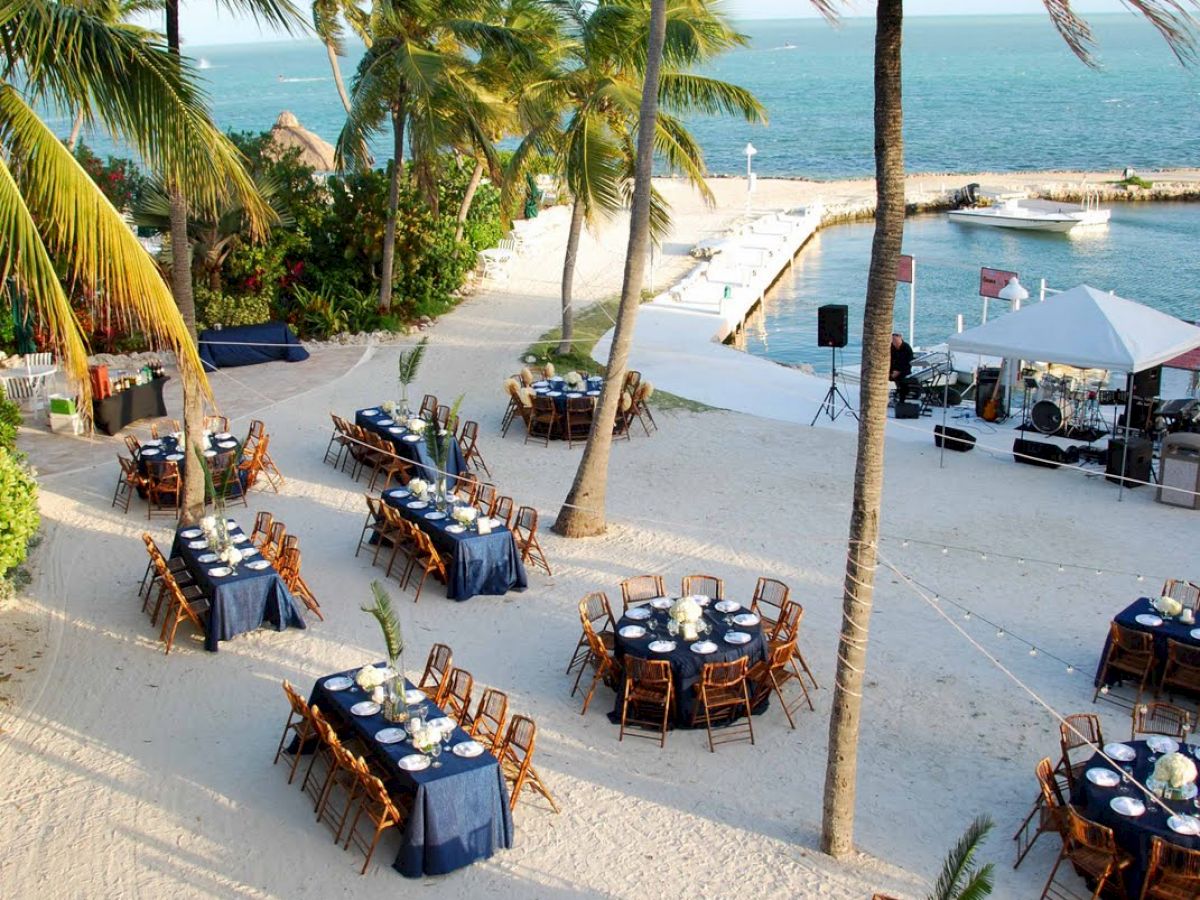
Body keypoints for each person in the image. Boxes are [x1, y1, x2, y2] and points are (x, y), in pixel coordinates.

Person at [889, 332, 914, 404]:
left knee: (903, 382)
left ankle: (902, 400)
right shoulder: (891, 347)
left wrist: (898, 371)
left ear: (900, 339)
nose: (894, 342)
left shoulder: (906, 348)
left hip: (904, 370)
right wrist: (892, 371)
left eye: (895, 340)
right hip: (893, 370)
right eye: (893, 340)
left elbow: (908, 363)